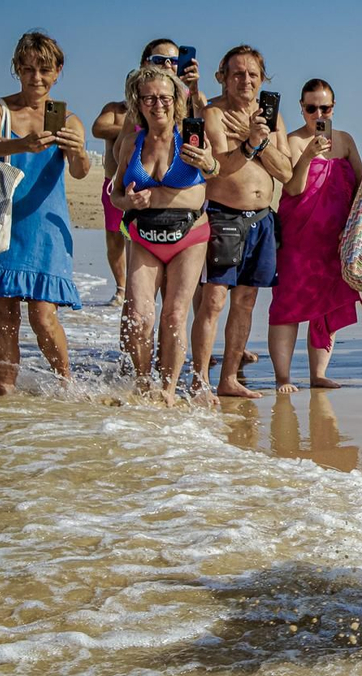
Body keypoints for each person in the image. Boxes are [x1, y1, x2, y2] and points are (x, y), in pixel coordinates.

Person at [0, 31, 88, 396]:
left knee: (42, 316)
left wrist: (78, 149)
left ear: (58, 72)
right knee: (3, 317)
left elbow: (80, 172)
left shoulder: (67, 119)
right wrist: (25, 144)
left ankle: (68, 385)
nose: (36, 78)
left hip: (44, 226)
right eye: (28, 69)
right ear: (17, 68)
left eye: (45, 70)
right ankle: (5, 390)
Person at [110, 64, 215, 406]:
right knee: (139, 316)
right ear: (138, 103)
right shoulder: (130, 142)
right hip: (144, 234)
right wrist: (129, 200)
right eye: (150, 98)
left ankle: (168, 389)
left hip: (189, 236)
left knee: (174, 315)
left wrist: (208, 162)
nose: (158, 105)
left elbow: (214, 169)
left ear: (177, 101)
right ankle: (143, 383)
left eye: (165, 98)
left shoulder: (191, 136)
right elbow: (114, 194)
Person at [193, 45, 291, 402]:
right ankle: (200, 380)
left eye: (252, 74)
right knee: (214, 300)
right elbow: (220, 166)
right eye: (237, 73)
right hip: (223, 215)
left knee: (247, 301)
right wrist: (249, 145)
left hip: (263, 219)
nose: (245, 80)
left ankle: (229, 378)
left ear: (262, 78)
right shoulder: (214, 113)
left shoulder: (271, 118)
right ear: (222, 77)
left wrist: (258, 142)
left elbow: (286, 171)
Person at [90, 39, 206, 309]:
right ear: (144, 65)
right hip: (133, 194)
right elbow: (115, 145)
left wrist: (193, 91)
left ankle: (184, 350)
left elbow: (210, 154)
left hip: (182, 212)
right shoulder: (133, 108)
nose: (168, 65)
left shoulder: (190, 101)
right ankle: (121, 294)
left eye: (174, 61)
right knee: (137, 304)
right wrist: (147, 124)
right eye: (159, 60)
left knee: (176, 305)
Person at [269, 78, 362, 394]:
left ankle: (318, 373)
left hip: (336, 240)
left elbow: (361, 186)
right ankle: (283, 377)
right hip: (299, 238)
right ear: (302, 108)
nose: (318, 114)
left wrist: (356, 232)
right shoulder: (292, 141)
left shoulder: (346, 141)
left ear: (333, 107)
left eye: (325, 107)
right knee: (288, 304)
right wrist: (308, 155)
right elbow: (292, 188)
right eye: (311, 108)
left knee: (327, 304)